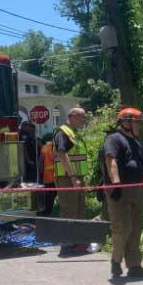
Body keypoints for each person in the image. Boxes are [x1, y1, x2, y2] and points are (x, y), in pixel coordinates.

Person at [101, 108, 143, 279]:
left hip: (136, 190)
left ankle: (134, 266)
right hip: (119, 191)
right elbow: (111, 160)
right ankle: (116, 261)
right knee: (123, 228)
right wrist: (115, 183)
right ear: (126, 122)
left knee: (136, 229)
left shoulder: (137, 144)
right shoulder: (114, 139)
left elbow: (141, 167)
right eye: (137, 122)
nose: (140, 126)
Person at [53, 107, 91, 257]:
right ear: (73, 116)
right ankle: (67, 246)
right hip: (67, 179)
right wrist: (73, 177)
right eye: (82, 117)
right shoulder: (62, 132)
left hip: (75, 178)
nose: (84, 120)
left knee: (79, 210)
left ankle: (77, 243)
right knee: (69, 211)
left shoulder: (74, 133)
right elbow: (62, 155)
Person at [38, 134, 57, 216]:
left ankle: (46, 214)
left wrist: (39, 176)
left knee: (48, 199)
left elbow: (41, 163)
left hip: (48, 179)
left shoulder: (45, 148)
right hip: (60, 177)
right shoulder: (61, 147)